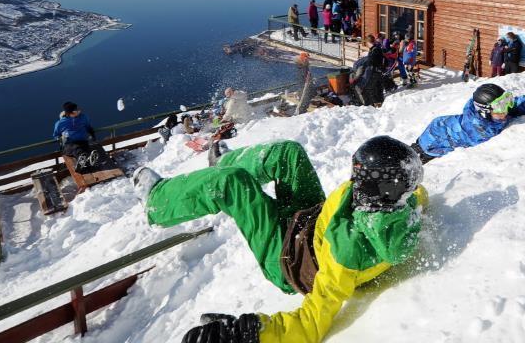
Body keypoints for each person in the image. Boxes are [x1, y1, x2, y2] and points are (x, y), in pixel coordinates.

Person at [131, 136, 427, 343]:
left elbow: (311, 322)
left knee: (231, 183)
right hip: (310, 224)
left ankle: (157, 201)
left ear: (380, 188)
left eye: (360, 175)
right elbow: (417, 196)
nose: (354, 179)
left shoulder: (347, 254)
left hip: (286, 256)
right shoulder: (396, 205)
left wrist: (247, 333)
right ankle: (220, 160)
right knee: (288, 154)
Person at [410, 83, 525, 164]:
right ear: (484, 111)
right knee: (414, 160)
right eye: (500, 107)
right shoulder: (480, 130)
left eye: (506, 103)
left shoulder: (497, 113)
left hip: (443, 126)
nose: (506, 110)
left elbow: (516, 103)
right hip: (434, 141)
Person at [52, 101, 98, 170]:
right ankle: (84, 160)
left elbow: (88, 127)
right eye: (75, 111)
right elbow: (56, 135)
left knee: (85, 148)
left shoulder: (83, 117)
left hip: (82, 141)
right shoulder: (60, 123)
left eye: (77, 109)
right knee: (76, 148)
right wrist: (60, 139)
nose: (78, 111)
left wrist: (92, 134)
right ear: (69, 113)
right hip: (68, 144)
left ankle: (86, 161)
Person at [349, 36, 385, 106]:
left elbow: (372, 61)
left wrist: (364, 62)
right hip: (377, 71)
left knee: (371, 88)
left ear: (368, 42)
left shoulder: (375, 50)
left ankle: (375, 104)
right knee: (376, 88)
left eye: (366, 43)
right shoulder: (375, 49)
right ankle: (378, 104)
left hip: (376, 71)